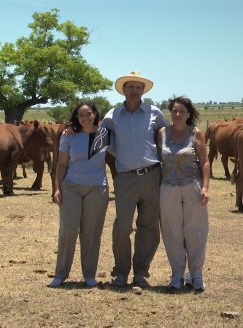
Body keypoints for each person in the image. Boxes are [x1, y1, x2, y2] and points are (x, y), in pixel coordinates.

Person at [101, 71, 168, 288]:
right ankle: (120, 272)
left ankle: (141, 272)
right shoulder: (112, 115)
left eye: (138, 87)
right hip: (125, 178)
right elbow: (104, 141)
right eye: (130, 87)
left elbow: (164, 137)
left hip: (152, 174)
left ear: (143, 91)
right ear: (123, 89)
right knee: (122, 226)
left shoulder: (154, 113)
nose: (134, 91)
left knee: (148, 226)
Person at [49, 101, 110, 288]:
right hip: (71, 186)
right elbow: (61, 164)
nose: (85, 118)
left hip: (97, 188)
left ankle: (89, 274)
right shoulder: (69, 136)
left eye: (88, 114)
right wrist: (57, 188)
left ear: (95, 114)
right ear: (76, 117)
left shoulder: (105, 134)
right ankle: (60, 274)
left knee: (91, 233)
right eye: (81, 115)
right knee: (68, 230)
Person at [156, 96, 209, 291]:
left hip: (192, 186)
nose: (177, 114)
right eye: (175, 111)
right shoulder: (162, 133)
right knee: (172, 232)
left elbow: (205, 162)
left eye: (182, 111)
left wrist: (205, 187)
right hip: (168, 187)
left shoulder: (195, 133)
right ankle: (177, 275)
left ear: (188, 114)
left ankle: (196, 275)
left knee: (195, 232)